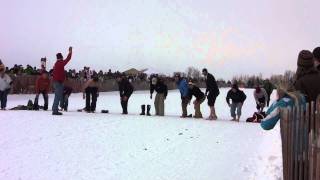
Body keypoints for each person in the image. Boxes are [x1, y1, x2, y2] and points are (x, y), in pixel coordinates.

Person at [52, 46, 73, 115]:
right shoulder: (60, 63)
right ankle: (55, 111)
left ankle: (54, 108)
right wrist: (70, 52)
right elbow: (68, 59)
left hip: (56, 82)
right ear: (61, 57)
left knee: (57, 96)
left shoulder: (56, 64)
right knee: (58, 96)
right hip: (58, 82)